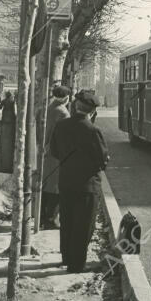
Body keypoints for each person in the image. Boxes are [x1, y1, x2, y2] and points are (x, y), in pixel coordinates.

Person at [49, 90, 109, 273]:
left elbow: (54, 151)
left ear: (75, 106)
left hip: (66, 181)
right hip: (87, 185)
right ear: (93, 111)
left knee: (67, 221)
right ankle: (76, 265)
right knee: (83, 225)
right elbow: (102, 159)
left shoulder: (61, 126)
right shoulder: (93, 130)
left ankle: (66, 257)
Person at [40, 85, 71, 230]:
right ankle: (50, 218)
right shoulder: (63, 113)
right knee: (55, 187)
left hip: (43, 151)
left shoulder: (46, 108)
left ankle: (41, 216)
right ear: (66, 98)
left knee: (45, 184)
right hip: (56, 153)